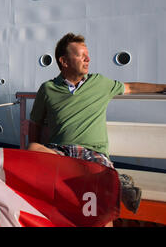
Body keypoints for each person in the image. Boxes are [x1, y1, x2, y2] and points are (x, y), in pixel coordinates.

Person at [28, 33, 166, 216]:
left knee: (99, 192)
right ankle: (118, 180)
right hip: (61, 151)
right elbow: (35, 123)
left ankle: (116, 181)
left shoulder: (99, 83)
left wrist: (162, 87)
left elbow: (131, 87)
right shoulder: (48, 89)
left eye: (87, 54)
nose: (88, 59)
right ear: (64, 61)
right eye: (80, 55)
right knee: (32, 148)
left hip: (92, 152)